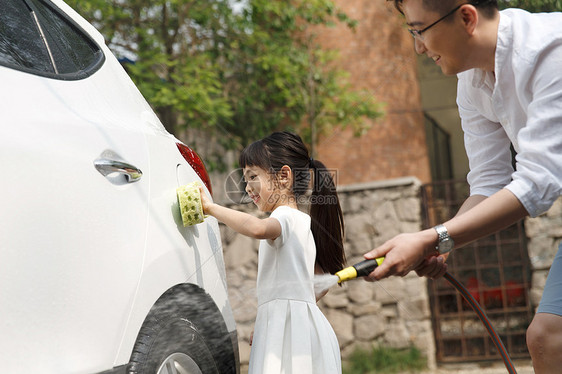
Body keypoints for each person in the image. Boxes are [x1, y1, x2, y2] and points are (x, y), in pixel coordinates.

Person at [363, 1, 562, 372]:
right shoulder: (471, 82)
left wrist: (432, 237)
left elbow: (538, 183)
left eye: (420, 29)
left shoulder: (552, 51)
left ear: (467, 18)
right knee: (546, 339)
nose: (418, 46)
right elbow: (489, 180)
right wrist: (440, 243)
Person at [200, 131, 345, 374]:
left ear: (284, 176)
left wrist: (211, 208)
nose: (247, 188)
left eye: (252, 176)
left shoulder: (285, 217)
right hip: (299, 331)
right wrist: (275, 311)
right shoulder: (304, 223)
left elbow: (257, 228)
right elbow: (319, 283)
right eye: (245, 179)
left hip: (288, 337)